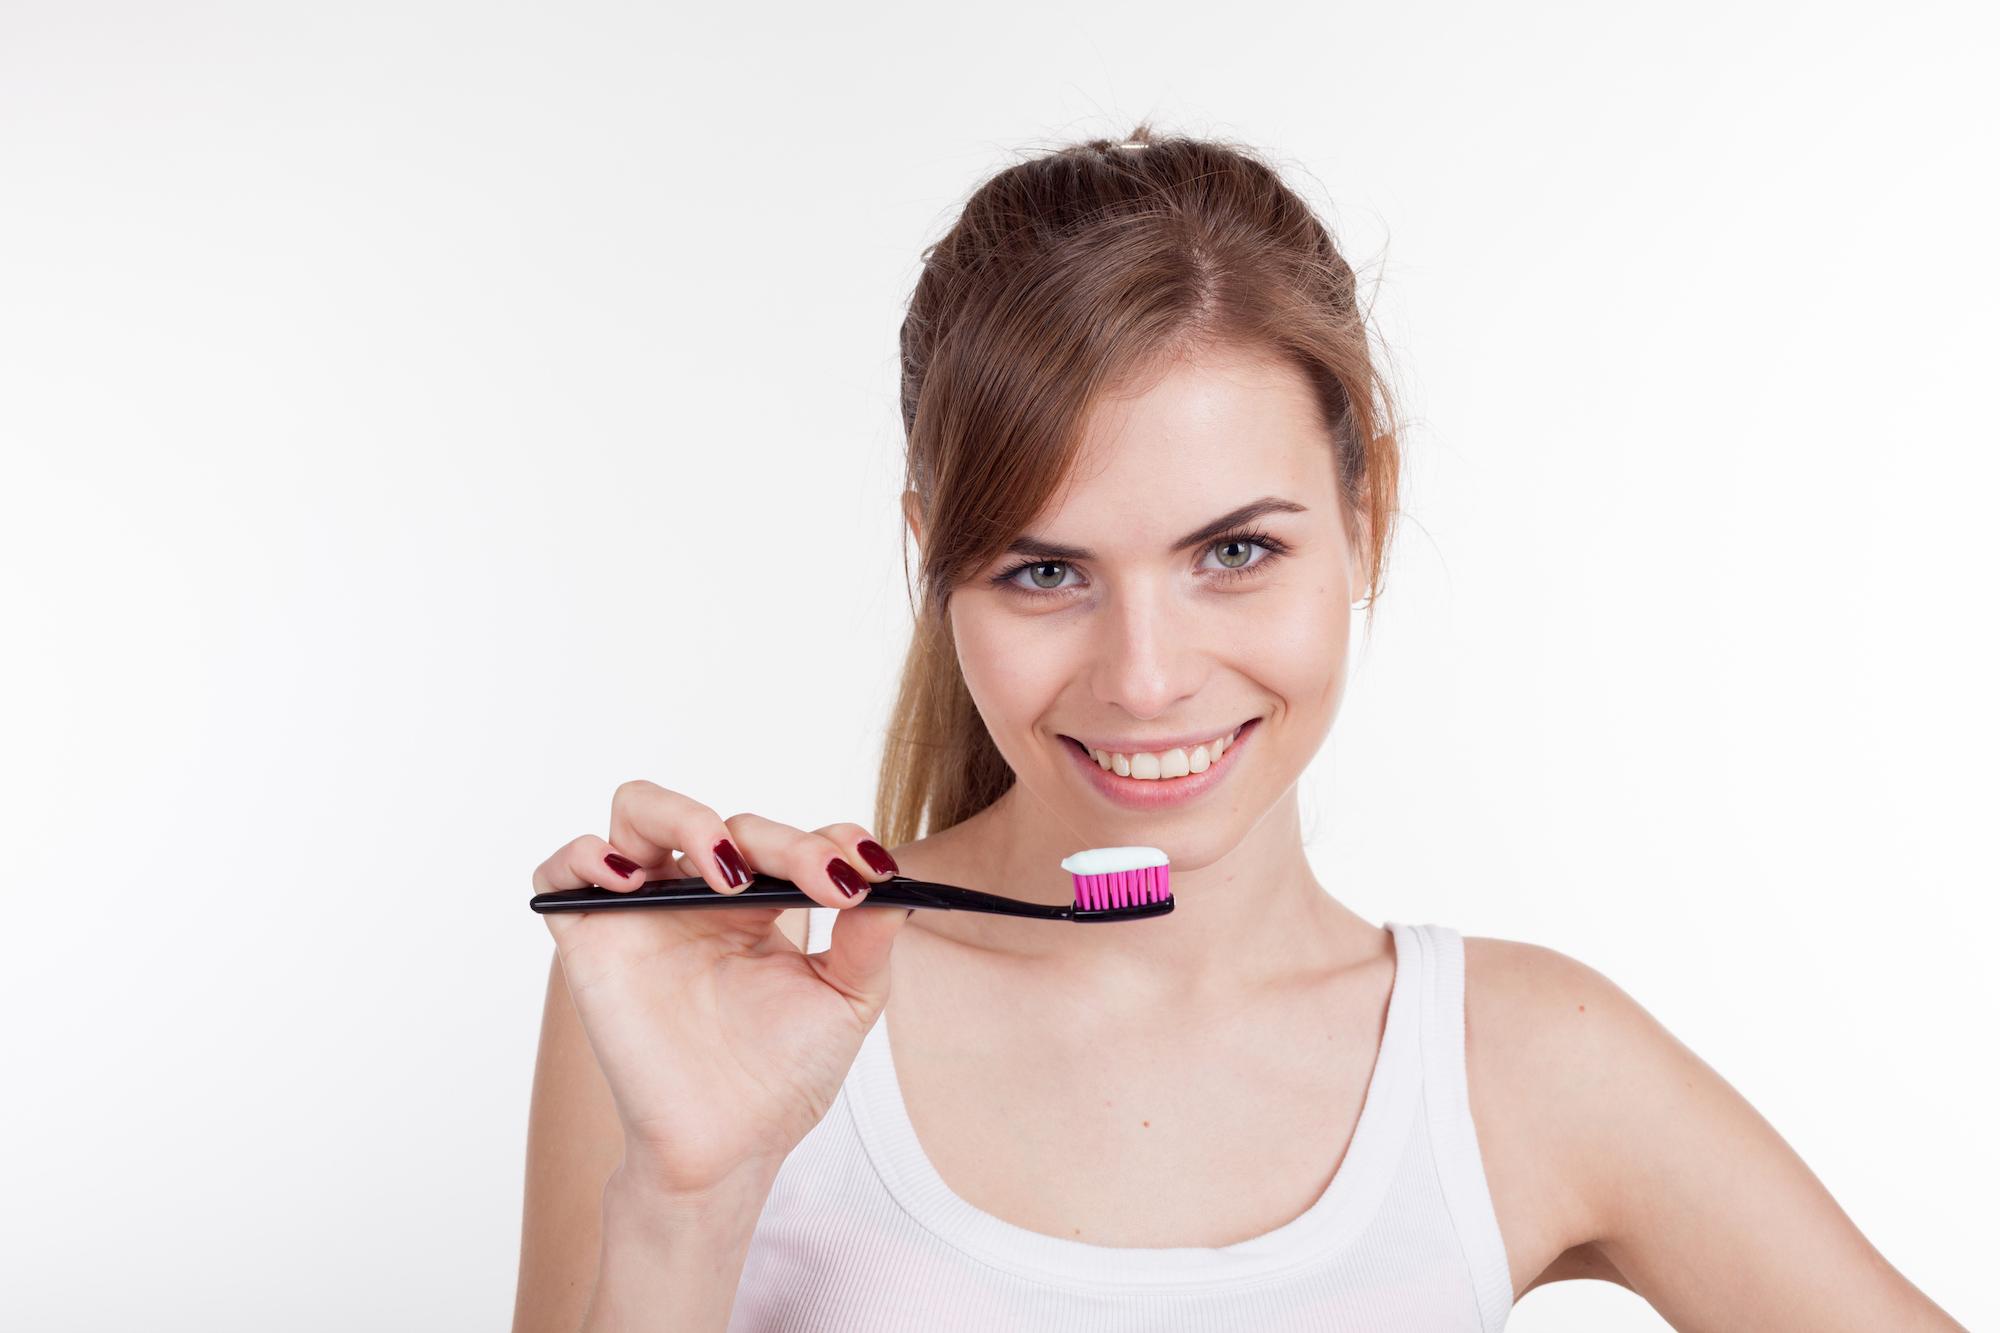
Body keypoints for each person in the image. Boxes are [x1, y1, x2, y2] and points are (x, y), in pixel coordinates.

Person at [511, 125, 1965, 1332]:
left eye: (1235, 553)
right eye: (1043, 570)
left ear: (1364, 515)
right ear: (931, 559)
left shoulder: (1516, 1062)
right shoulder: (699, 1008)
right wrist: (684, 1208)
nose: (1146, 678)